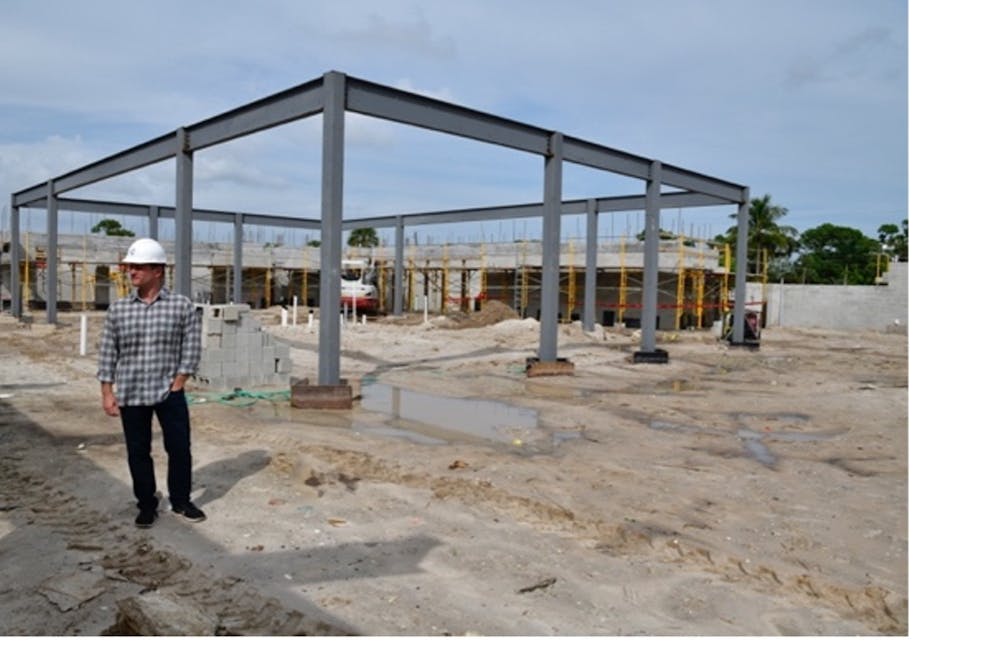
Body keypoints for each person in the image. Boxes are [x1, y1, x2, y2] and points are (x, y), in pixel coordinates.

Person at [97, 237, 206, 528]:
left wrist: (181, 379)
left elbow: (192, 346)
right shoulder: (118, 310)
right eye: (129, 267)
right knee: (138, 451)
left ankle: (181, 500)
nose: (131, 272)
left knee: (180, 448)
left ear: (158, 270)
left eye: (138, 267)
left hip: (169, 391)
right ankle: (146, 504)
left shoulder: (181, 306)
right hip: (132, 392)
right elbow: (108, 351)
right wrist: (107, 392)